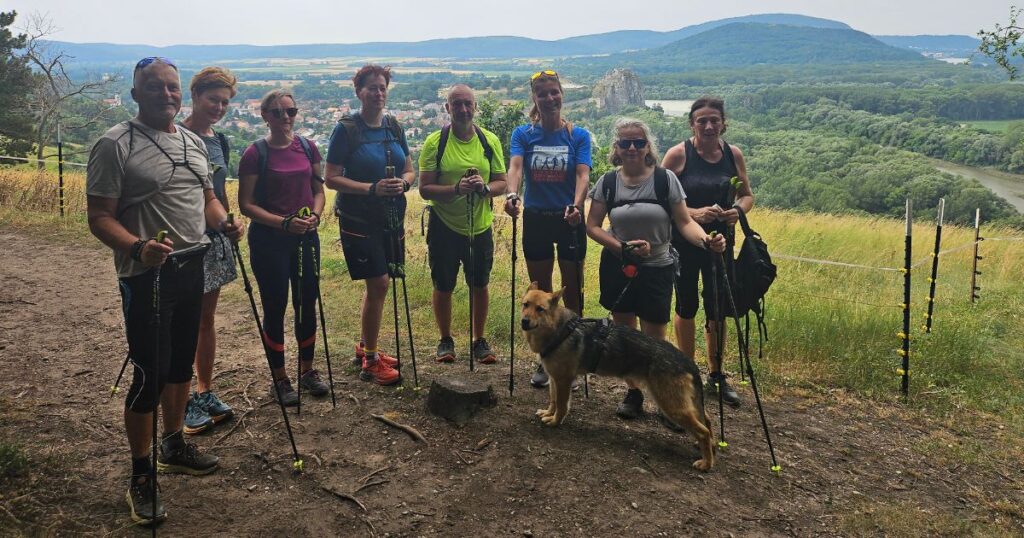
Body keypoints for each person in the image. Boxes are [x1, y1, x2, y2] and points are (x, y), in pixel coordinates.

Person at [87, 57, 242, 525]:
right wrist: (137, 247)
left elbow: (207, 197)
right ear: (136, 94)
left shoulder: (194, 141)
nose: (166, 95)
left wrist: (225, 223)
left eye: (172, 87)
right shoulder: (115, 144)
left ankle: (173, 443)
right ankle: (141, 472)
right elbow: (98, 216)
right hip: (146, 273)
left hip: (192, 265)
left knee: (179, 365)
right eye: (155, 88)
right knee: (149, 372)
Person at [587, 117, 726, 419]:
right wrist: (620, 248)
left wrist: (706, 242)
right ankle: (634, 393)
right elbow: (593, 226)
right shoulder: (608, 183)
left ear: (647, 145)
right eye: (626, 142)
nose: (633, 147)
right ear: (617, 148)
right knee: (625, 336)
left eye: (639, 142)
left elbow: (685, 222)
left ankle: (665, 399)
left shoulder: (665, 180)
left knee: (654, 341)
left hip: (657, 268)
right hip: (618, 267)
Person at [237, 89, 330, 405]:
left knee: (306, 302)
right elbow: (246, 205)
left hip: (306, 236)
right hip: (269, 241)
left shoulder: (308, 147)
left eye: (290, 111)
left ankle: (307, 371)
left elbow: (318, 189)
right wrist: (283, 223)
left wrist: (315, 215)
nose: (285, 117)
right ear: (264, 116)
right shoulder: (255, 153)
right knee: (275, 307)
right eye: (277, 112)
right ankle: (280, 378)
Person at [324, 64, 414, 386]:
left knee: (380, 284)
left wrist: (403, 184)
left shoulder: (393, 126)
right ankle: (371, 362)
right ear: (358, 92)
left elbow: (409, 169)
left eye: (382, 87)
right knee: (379, 283)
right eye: (371, 87)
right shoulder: (347, 129)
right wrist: (371, 188)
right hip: (359, 219)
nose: (378, 93)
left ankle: (367, 347)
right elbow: (331, 177)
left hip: (390, 218)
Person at [661, 96, 754, 407]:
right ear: (692, 124)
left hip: (721, 244)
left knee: (717, 308)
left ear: (723, 123)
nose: (709, 125)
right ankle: (688, 372)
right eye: (702, 120)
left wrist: (737, 212)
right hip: (684, 244)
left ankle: (716, 374)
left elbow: (747, 195)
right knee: (686, 305)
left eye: (714, 120)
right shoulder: (678, 155)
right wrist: (694, 213)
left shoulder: (733, 155)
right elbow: (660, 197)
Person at [503, 69, 591, 388]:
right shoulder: (524, 134)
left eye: (554, 92)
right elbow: (514, 167)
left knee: (571, 291)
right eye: (543, 94)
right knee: (539, 291)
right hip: (537, 218)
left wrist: (578, 205)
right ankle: (545, 359)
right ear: (535, 99)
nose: (550, 98)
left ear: (561, 94)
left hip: (569, 218)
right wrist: (512, 194)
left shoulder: (577, 135)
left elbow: (583, 174)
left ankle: (574, 358)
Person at [418, 84, 508, 364]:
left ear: (475, 107)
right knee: (443, 284)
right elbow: (425, 189)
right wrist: (457, 189)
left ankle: (478, 340)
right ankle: (445, 340)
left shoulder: (488, 140)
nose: (463, 109)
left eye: (468, 103)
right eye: (456, 104)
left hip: (479, 225)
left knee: (479, 284)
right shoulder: (436, 142)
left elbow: (502, 182)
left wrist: (483, 189)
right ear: (447, 108)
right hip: (444, 224)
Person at [179, 66, 238, 434]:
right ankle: (179, 396)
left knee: (205, 319)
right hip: (184, 241)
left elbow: (218, 189)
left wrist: (230, 223)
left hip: (214, 239)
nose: (219, 107)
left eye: (225, 101)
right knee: (180, 321)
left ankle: (204, 390)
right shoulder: (177, 136)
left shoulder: (220, 140)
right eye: (213, 99)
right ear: (196, 96)